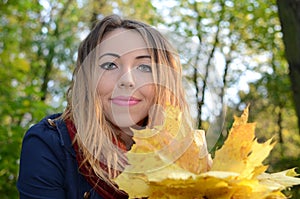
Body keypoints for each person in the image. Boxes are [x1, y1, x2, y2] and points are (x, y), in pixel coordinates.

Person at [17, 14, 212, 199]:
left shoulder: (189, 159)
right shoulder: (50, 143)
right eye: (109, 65)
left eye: (144, 67)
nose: (127, 80)